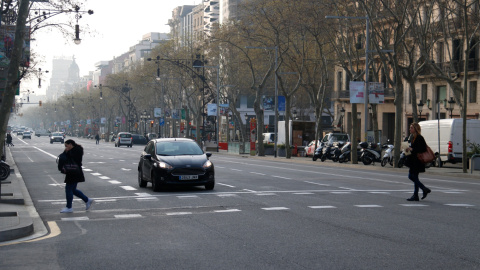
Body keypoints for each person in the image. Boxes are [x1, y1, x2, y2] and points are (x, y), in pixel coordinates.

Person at [57, 139, 94, 213]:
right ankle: (87, 200)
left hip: (74, 171)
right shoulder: (75, 149)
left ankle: (69, 207)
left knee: (68, 189)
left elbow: (66, 158)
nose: (66, 147)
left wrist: (66, 152)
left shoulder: (76, 150)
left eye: (66, 146)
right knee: (73, 189)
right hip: (74, 171)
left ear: (71, 144)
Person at [405, 122, 431, 201]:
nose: (410, 129)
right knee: (413, 177)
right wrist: (408, 148)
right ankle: (418, 193)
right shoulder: (413, 137)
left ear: (415, 129)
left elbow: (422, 149)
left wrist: (412, 149)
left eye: (411, 128)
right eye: (410, 128)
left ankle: (421, 190)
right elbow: (413, 148)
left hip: (417, 161)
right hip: (413, 161)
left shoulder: (420, 138)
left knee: (412, 176)